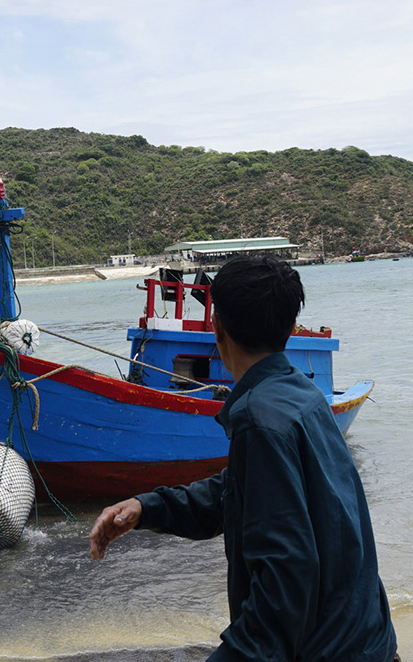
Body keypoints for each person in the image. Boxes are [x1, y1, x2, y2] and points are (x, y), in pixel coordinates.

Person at [89, 255, 397, 662]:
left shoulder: (259, 419)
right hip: (369, 643)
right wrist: (148, 507)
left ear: (217, 327)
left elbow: (285, 581)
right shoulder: (305, 397)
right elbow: (236, 492)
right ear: (290, 330)